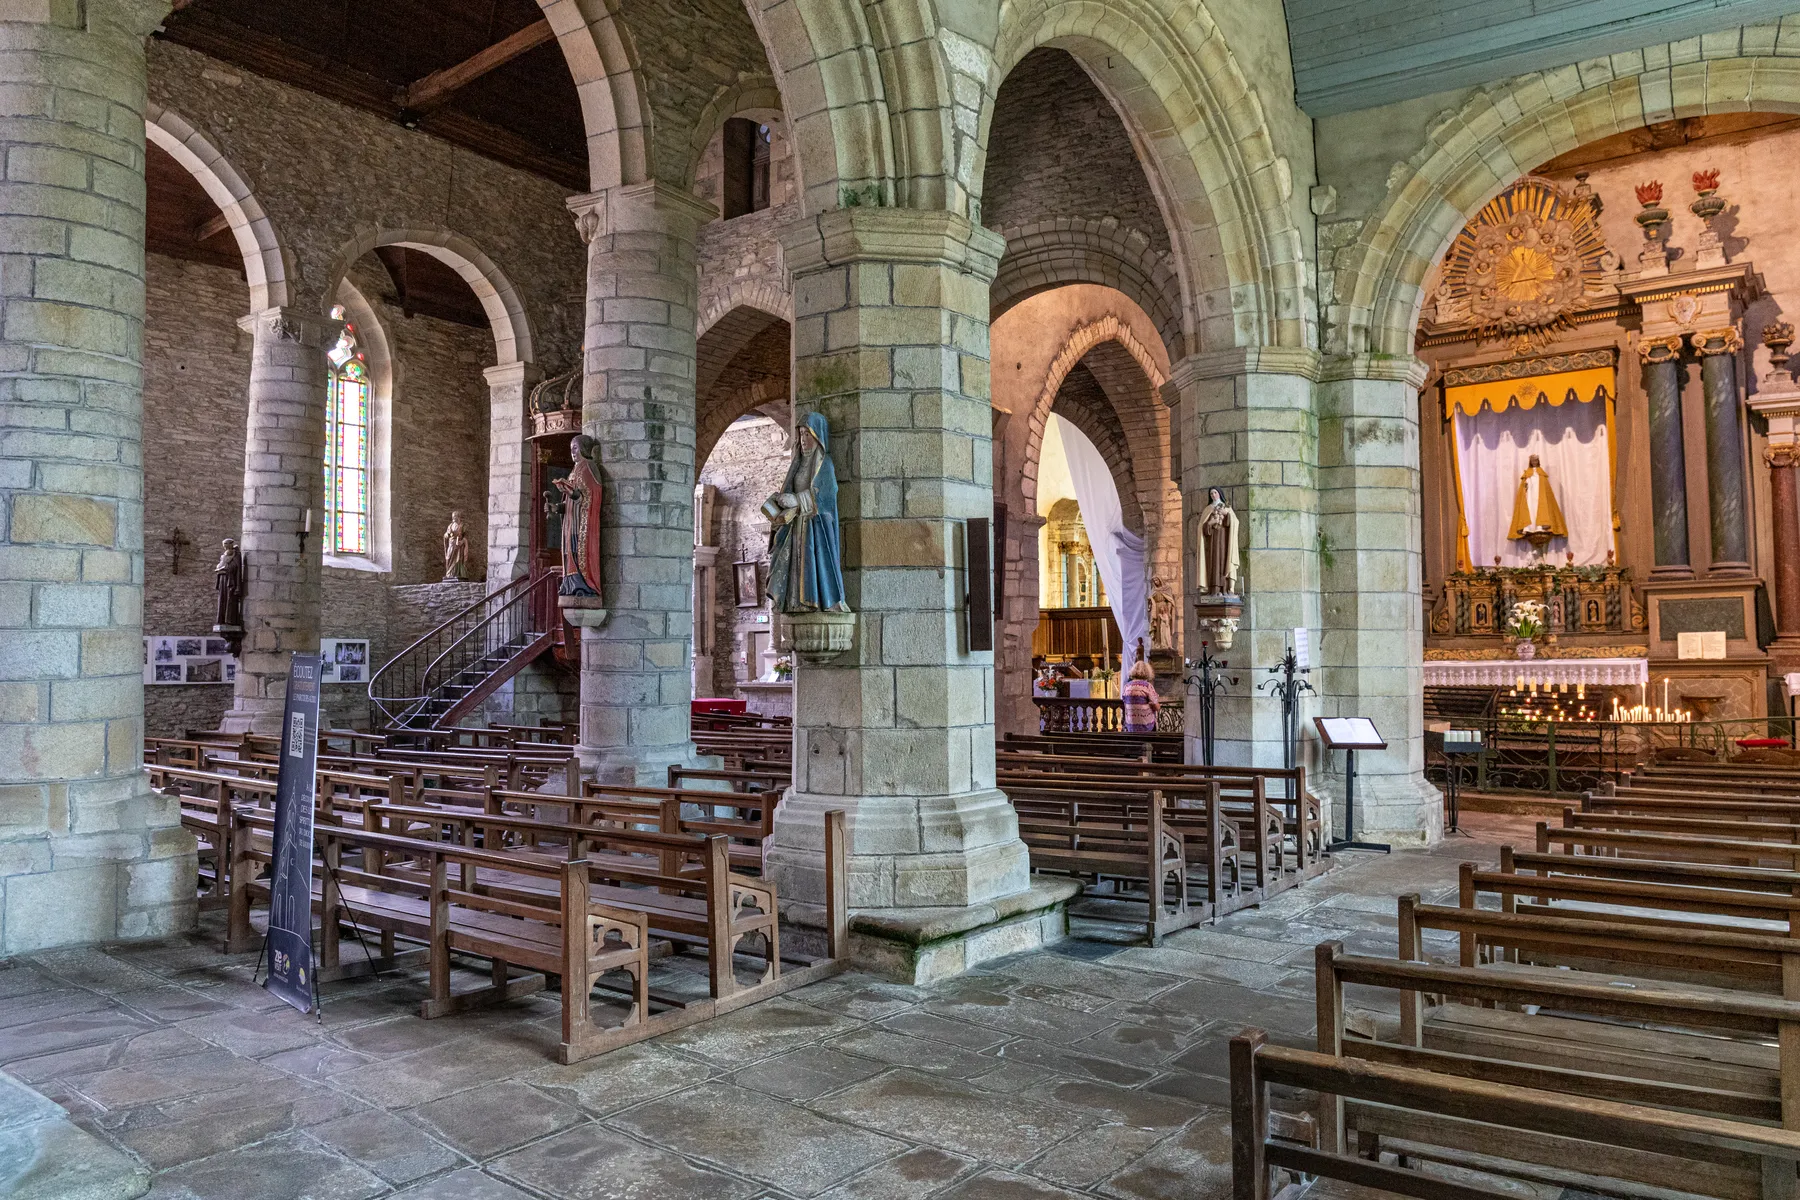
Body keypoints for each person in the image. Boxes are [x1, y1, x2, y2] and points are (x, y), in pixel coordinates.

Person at [764, 412, 849, 613]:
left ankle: (817, 601)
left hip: (815, 528)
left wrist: (797, 499)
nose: (803, 439)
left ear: (817, 436)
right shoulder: (798, 464)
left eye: (808, 435)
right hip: (795, 526)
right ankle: (795, 602)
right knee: (795, 566)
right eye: (801, 434)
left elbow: (827, 496)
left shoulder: (824, 463)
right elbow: (789, 489)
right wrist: (781, 501)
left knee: (812, 565)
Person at [1121, 657, 1161, 734]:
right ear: (1147, 672)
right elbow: (1157, 707)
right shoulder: (1147, 686)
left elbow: (1124, 702)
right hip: (1145, 725)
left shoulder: (1127, 686)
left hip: (1131, 725)